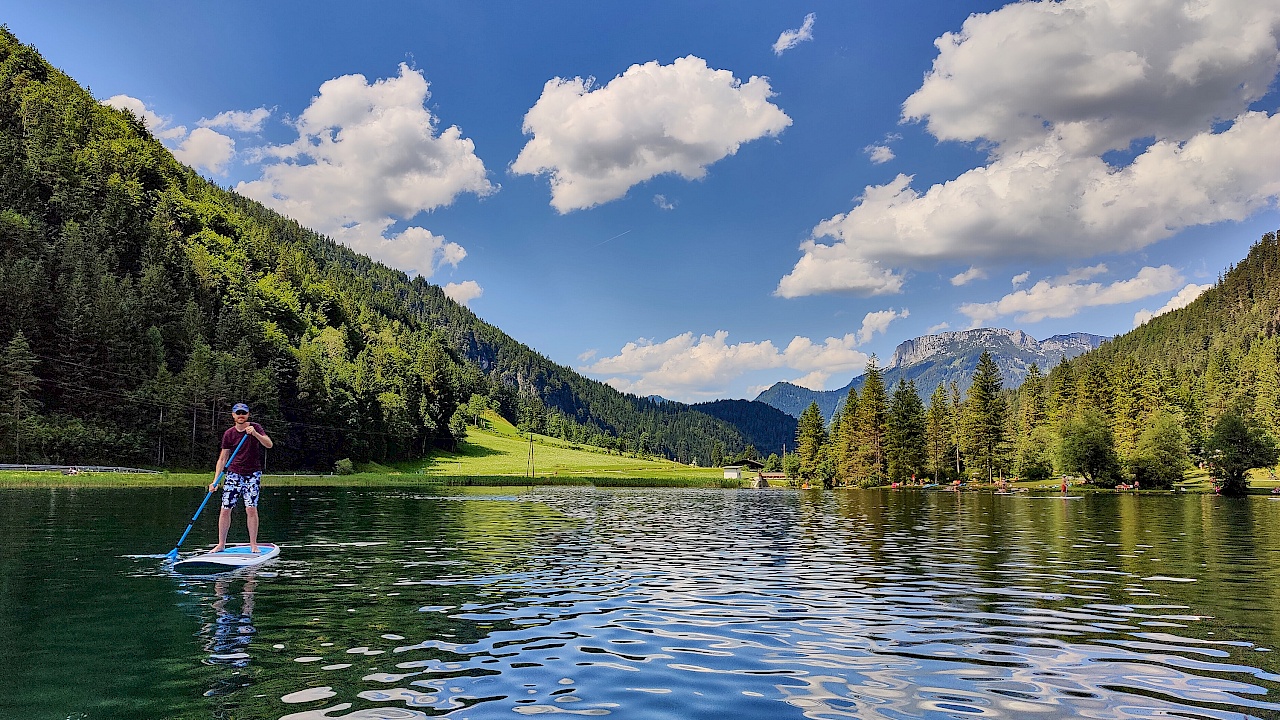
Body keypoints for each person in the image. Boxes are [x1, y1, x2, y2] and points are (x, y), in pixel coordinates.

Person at [210, 403, 273, 553]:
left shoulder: (255, 427)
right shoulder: (229, 434)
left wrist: (255, 434)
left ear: (248, 414)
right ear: (233, 415)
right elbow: (222, 459)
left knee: (251, 508)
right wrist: (215, 480)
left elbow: (269, 444)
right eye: (238, 413)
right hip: (233, 474)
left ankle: (253, 544)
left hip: (252, 474)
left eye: (243, 413)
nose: (241, 415)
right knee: (225, 509)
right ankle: (221, 544)